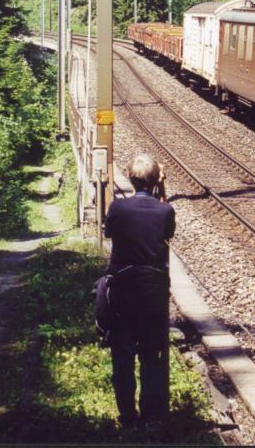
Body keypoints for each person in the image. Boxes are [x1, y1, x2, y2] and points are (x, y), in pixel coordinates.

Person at [104, 153, 175, 428]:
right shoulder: (164, 210)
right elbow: (167, 231)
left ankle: (128, 417)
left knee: (122, 354)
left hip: (122, 290)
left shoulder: (117, 209)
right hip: (152, 292)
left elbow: (109, 233)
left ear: (130, 178)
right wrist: (162, 189)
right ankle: (150, 416)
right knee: (150, 355)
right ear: (156, 179)